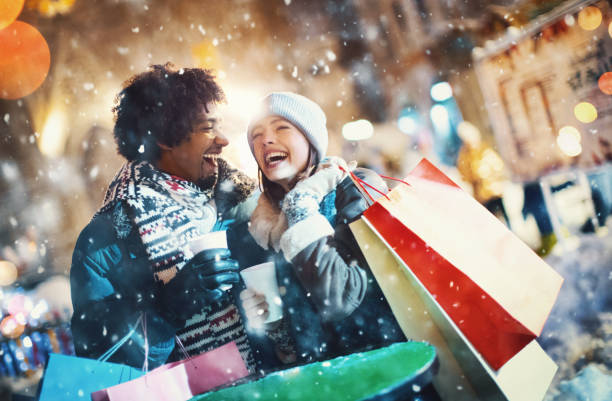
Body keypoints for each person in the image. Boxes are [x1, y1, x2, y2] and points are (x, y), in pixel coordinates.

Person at [70, 63, 259, 371]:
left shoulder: (240, 202)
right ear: (166, 138)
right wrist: (167, 307)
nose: (223, 140)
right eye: (208, 127)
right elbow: (99, 361)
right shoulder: (105, 240)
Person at [239, 92, 405, 366]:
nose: (265, 139)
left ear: (311, 140)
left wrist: (301, 205)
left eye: (282, 127)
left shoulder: (357, 187)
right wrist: (274, 326)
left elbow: (340, 299)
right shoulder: (265, 227)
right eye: (256, 134)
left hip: (385, 372)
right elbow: (297, 349)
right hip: (322, 384)